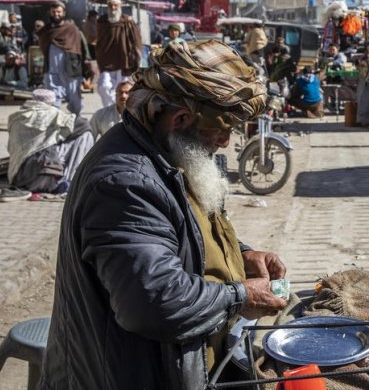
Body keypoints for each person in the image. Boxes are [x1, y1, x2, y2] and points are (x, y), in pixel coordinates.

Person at [40, 39, 289, 389]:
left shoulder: (165, 151)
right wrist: (242, 297)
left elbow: (183, 234)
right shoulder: (125, 183)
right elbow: (156, 302)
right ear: (181, 118)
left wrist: (241, 255)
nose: (225, 142)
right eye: (222, 129)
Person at [6, 88, 94, 194]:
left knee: (48, 144)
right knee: (86, 135)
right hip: (41, 173)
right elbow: (84, 124)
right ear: (51, 102)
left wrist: (55, 136)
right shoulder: (52, 114)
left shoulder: (17, 116)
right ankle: (72, 178)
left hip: (18, 176)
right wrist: (60, 135)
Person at [38, 1, 91, 116]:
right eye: (53, 12)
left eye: (58, 12)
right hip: (52, 70)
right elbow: (42, 46)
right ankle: (56, 121)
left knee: (74, 98)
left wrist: (87, 64)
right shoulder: (46, 31)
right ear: (50, 13)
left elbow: (82, 46)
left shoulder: (72, 29)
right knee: (53, 97)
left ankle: (76, 121)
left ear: (64, 13)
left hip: (71, 68)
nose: (56, 14)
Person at [95, 0, 142, 109]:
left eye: (115, 5)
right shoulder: (102, 21)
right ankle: (112, 108)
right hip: (107, 62)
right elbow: (98, 42)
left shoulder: (127, 21)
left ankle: (123, 110)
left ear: (120, 6)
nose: (113, 7)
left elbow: (136, 41)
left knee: (124, 88)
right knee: (103, 87)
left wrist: (136, 59)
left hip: (124, 62)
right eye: (110, 5)